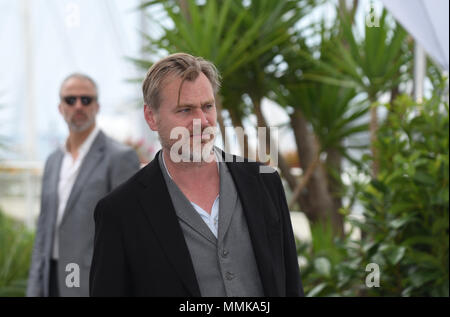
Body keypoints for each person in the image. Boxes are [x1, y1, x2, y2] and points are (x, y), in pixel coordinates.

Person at [89, 53, 304, 297]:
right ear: (151, 117)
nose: (201, 121)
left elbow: (291, 286)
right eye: (185, 110)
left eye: (207, 106)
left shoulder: (265, 183)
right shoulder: (120, 211)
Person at [27, 73, 141, 297]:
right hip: (50, 280)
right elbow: (43, 230)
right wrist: (34, 287)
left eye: (86, 100)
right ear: (60, 107)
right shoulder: (53, 160)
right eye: (70, 100)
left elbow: (129, 233)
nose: (78, 105)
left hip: (92, 282)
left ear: (97, 106)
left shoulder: (120, 157)